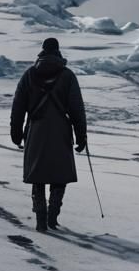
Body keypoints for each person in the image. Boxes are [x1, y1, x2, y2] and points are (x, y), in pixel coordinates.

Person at [10, 37, 88, 232]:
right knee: (58, 175)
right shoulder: (67, 76)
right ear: (58, 51)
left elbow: (18, 107)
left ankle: (41, 220)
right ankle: (53, 216)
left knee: (37, 176)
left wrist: (16, 133)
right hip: (60, 131)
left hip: (36, 131)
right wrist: (81, 136)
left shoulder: (29, 75)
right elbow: (77, 108)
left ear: (42, 51)